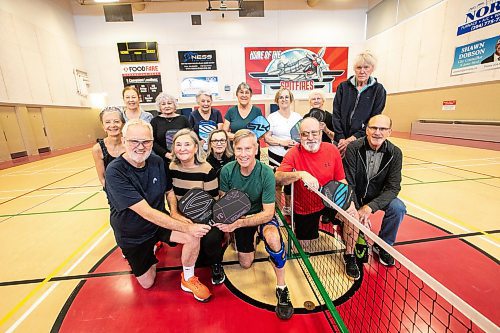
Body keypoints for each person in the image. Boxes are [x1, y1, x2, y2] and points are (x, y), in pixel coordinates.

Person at [104, 119, 212, 301]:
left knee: (194, 235)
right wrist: (185, 226)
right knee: (148, 282)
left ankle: (188, 278)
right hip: (133, 233)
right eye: (134, 141)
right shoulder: (115, 171)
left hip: (158, 224)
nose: (140, 146)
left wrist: (175, 213)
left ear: (152, 143)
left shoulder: (156, 161)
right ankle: (147, 252)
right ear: (123, 141)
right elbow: (146, 212)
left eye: (146, 141)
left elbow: (169, 191)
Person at [215, 129, 294, 320]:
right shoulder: (226, 171)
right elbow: (225, 203)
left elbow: (268, 213)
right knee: (245, 264)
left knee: (274, 238)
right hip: (240, 218)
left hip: (260, 216)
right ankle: (250, 240)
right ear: (234, 150)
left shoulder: (266, 172)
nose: (244, 154)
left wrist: (238, 224)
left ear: (256, 148)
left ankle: (282, 288)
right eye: (239, 149)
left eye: (248, 148)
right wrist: (228, 225)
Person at [275, 117, 362, 280]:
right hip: (305, 206)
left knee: (353, 216)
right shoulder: (293, 153)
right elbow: (278, 177)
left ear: (321, 133)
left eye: (314, 133)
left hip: (329, 201)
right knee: (304, 249)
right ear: (299, 136)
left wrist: (347, 203)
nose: (310, 137)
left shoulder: (332, 150)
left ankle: (350, 255)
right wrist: (300, 174)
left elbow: (341, 180)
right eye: (305, 134)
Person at [343, 114, 406, 267]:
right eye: (373, 128)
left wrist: (370, 207)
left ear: (389, 132)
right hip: (355, 195)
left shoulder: (395, 153)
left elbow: (393, 187)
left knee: (398, 208)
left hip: (377, 198)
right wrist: (357, 210)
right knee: (351, 217)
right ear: (367, 130)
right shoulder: (353, 148)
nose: (377, 132)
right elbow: (349, 181)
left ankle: (383, 245)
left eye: (382, 128)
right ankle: (349, 251)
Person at [165, 129, 226, 285]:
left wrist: (200, 221)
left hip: (206, 215)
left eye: (187, 144)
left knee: (211, 239)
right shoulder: (171, 167)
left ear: (195, 147)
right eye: (178, 145)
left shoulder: (207, 169)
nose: (182, 148)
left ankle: (216, 263)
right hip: (182, 216)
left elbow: (212, 200)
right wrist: (181, 218)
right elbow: (171, 194)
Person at [332, 51, 386, 157]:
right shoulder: (343, 87)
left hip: (361, 140)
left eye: (366, 67)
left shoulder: (379, 90)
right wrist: (341, 138)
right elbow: (336, 113)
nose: (362, 71)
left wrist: (353, 138)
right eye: (358, 67)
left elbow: (373, 120)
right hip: (340, 141)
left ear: (372, 68)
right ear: (354, 69)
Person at [264, 88, 302, 215]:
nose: (284, 99)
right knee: (277, 183)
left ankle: (288, 208)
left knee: (290, 182)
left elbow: (302, 136)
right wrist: (282, 142)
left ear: (290, 99)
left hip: (293, 156)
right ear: (277, 100)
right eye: (281, 97)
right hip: (276, 155)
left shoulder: (298, 117)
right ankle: (278, 211)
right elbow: (267, 138)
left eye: (286, 97)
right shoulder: (272, 117)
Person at [223, 82, 264, 159]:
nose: (244, 95)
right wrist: (240, 138)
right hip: (235, 151)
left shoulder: (257, 111)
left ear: (251, 95)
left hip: (252, 151)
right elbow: (224, 133)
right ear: (237, 94)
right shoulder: (231, 111)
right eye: (241, 92)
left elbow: (261, 134)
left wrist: (243, 139)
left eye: (247, 93)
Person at [150, 92, 191, 167]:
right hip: (161, 159)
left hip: (183, 157)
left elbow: (191, 138)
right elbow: (152, 141)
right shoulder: (155, 121)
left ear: (175, 105)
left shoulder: (183, 119)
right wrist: (166, 154)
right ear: (159, 107)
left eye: (169, 103)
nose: (167, 106)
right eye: (163, 104)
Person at [91, 107, 126, 188]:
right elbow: (102, 178)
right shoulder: (97, 149)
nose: (112, 125)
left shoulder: (130, 144)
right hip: (113, 192)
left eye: (116, 121)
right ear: (103, 126)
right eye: (107, 122)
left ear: (123, 124)